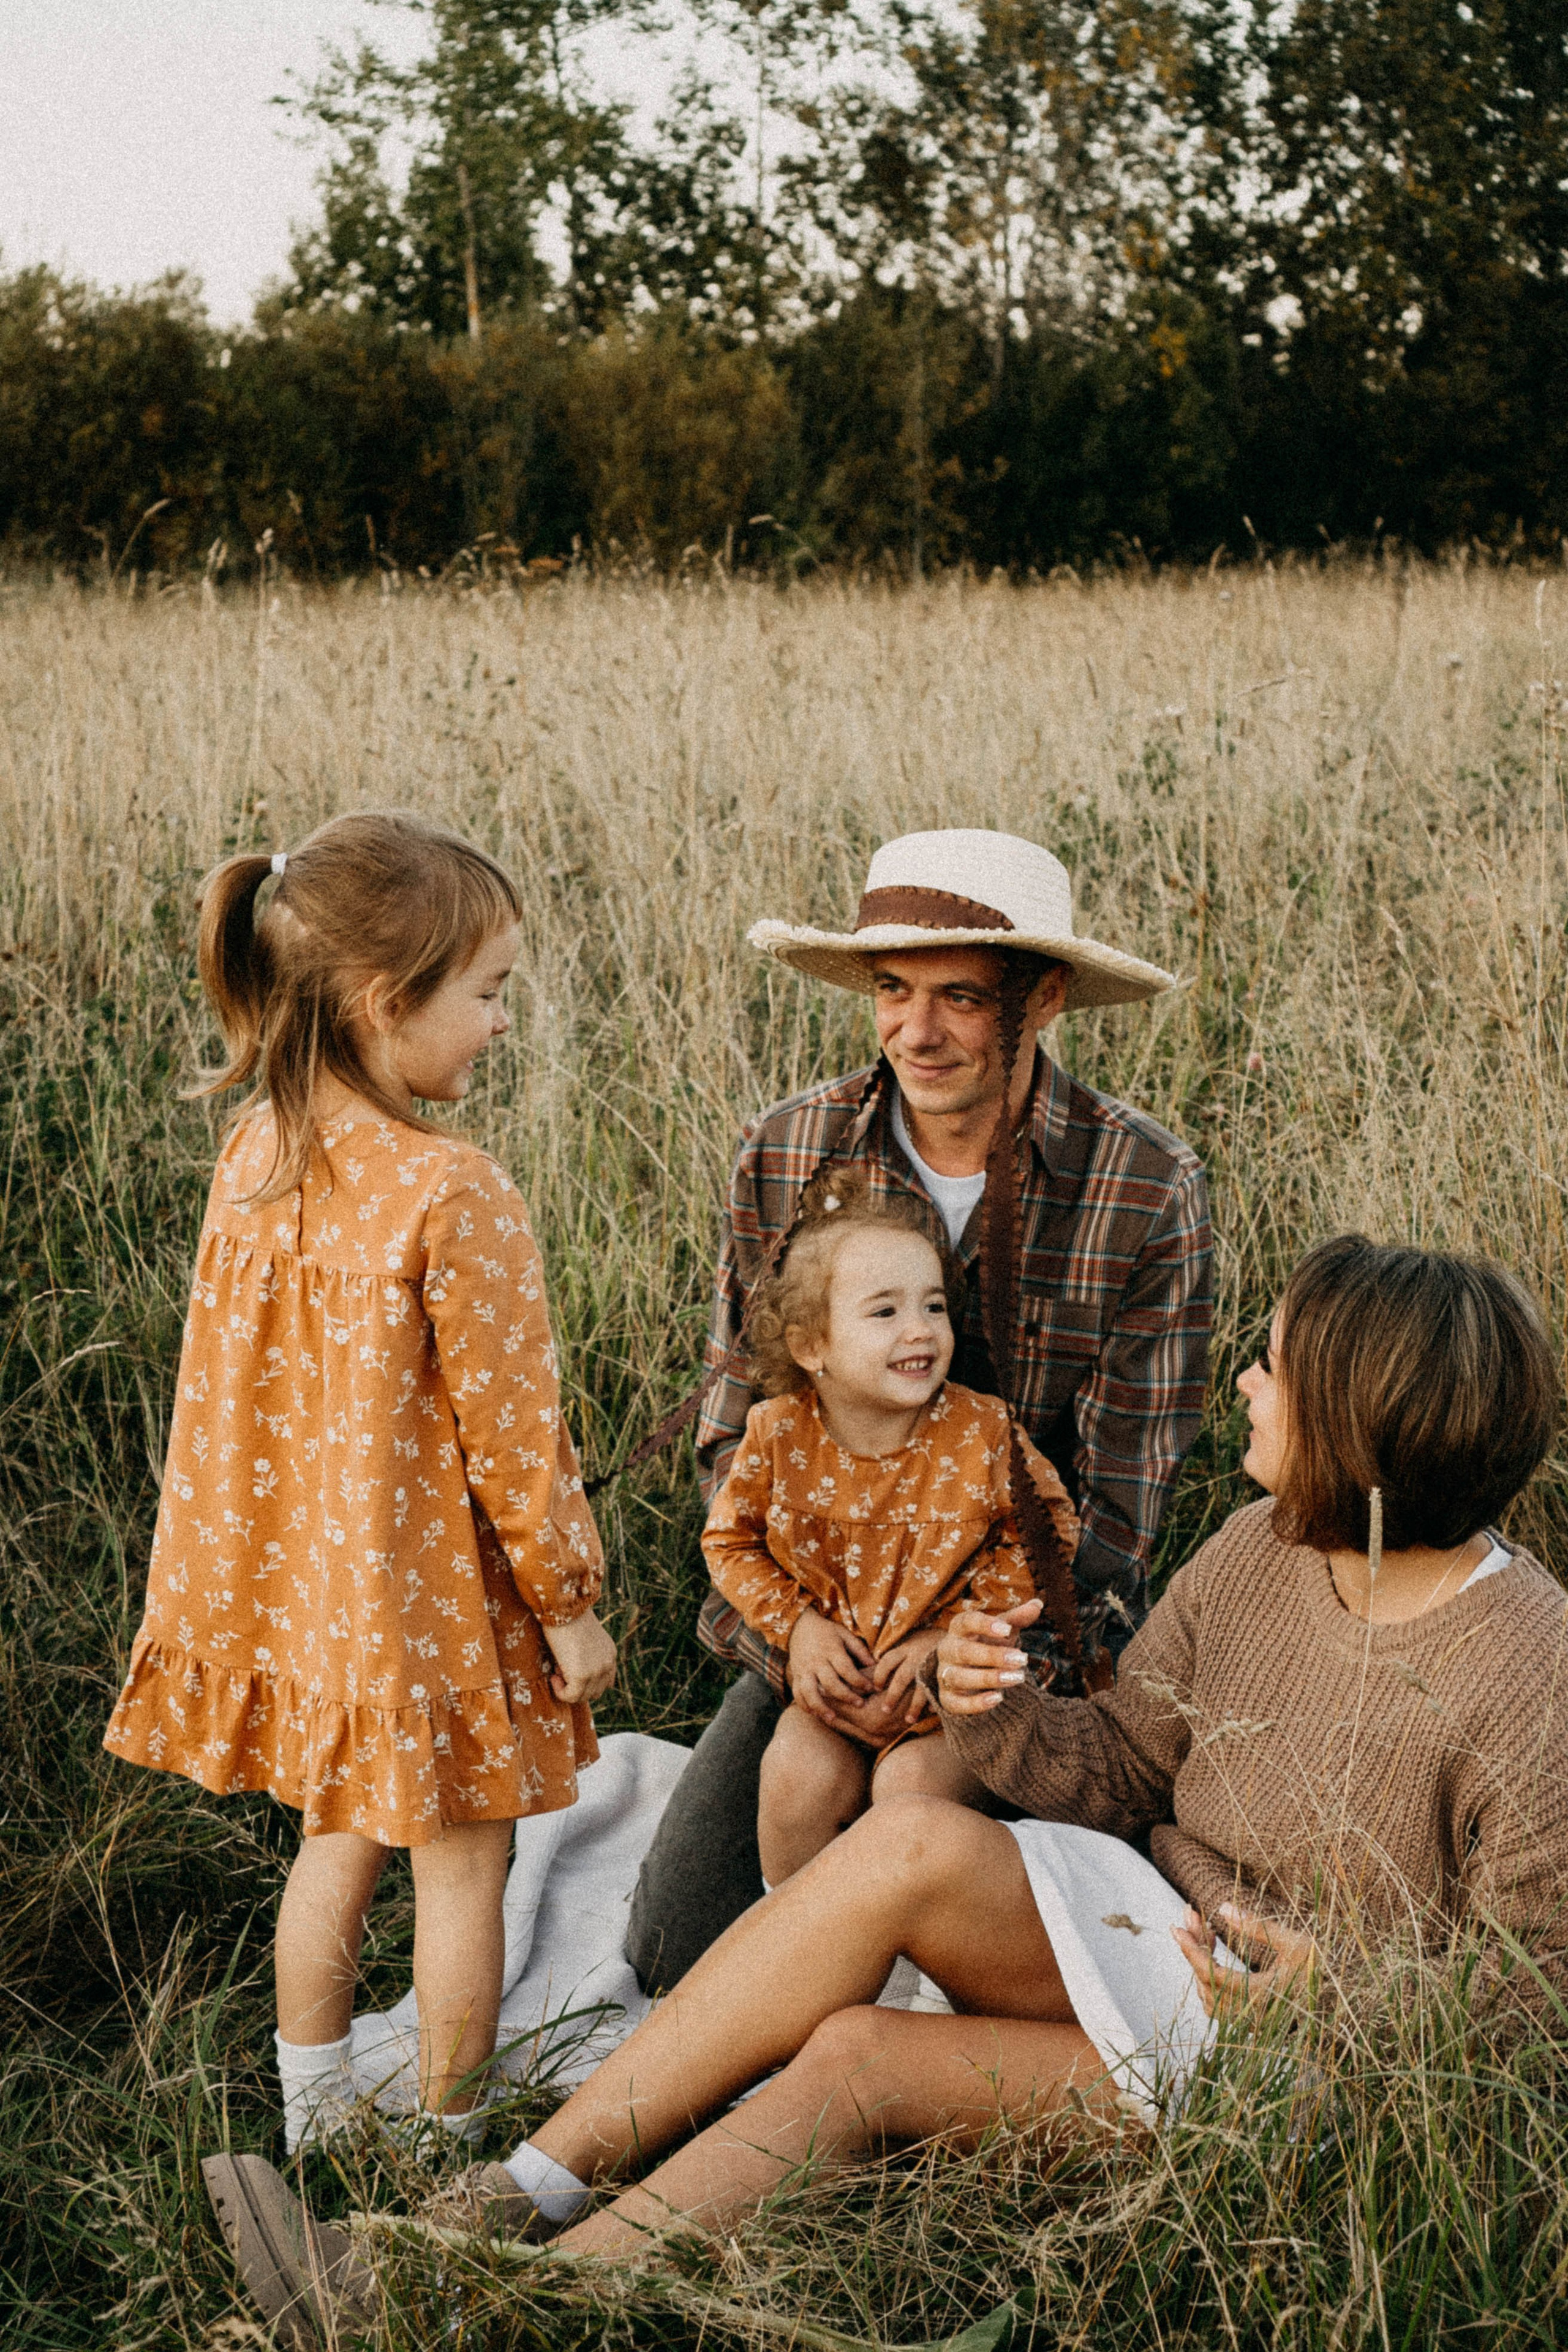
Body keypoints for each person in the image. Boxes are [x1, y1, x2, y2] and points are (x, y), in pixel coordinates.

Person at [194, 1229, 1568, 2312]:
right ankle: (499, 2208)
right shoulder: (1261, 1546)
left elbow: (1537, 2002)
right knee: (900, 1863)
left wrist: (1348, 2004)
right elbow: (1126, 1768)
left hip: (1304, 2065)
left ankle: (494, 2305)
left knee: (862, 2057)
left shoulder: (1530, 1671)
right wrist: (993, 1703)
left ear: (1362, 1416)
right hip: (1158, 1931)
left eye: (1272, 1368)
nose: (1246, 1388)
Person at [105, 810, 617, 2151]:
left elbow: (229, 1395)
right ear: (387, 1003)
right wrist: (568, 1603)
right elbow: (515, 1437)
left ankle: (315, 2121)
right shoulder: (453, 1191)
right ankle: (450, 2145)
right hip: (437, 1606)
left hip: (313, 1594)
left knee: (334, 1840)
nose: (500, 1023)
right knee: (465, 1870)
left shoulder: (256, 1155)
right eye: (487, 993)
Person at [627, 826, 1212, 1987]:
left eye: (961, 998)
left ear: (1045, 999)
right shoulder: (787, 1151)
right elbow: (735, 1436)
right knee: (670, 1953)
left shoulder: (1146, 1186)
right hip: (829, 1624)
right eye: (893, 990)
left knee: (947, 1876)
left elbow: (1118, 1515)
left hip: (1020, 1641)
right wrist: (800, 1638)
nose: (917, 1032)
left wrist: (971, 1648)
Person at [703, 1170, 1079, 1884]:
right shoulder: (778, 1435)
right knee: (795, 1778)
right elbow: (730, 1541)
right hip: (839, 1683)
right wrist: (798, 1629)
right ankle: (798, 1932)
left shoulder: (980, 1431)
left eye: (933, 1305)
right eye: (884, 1312)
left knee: (910, 1793)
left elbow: (1049, 1530)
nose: (920, 1330)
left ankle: (911, 1940)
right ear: (812, 1346)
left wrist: (960, 1633)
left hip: (954, 1693)